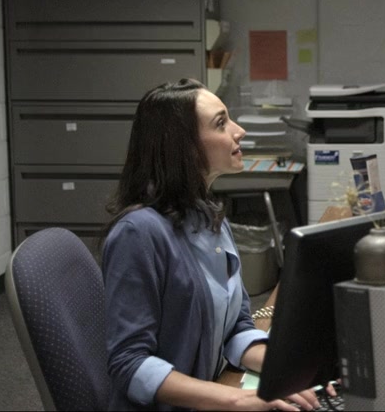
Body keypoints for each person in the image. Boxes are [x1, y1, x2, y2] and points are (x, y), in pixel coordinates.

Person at [102, 78, 326, 411]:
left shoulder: (206, 215)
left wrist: (286, 371)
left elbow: (235, 327)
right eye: (221, 123)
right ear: (184, 146)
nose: (239, 131)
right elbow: (129, 363)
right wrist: (236, 399)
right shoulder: (138, 233)